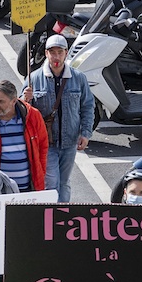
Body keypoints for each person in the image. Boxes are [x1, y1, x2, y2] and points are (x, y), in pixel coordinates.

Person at [23, 35, 93, 203]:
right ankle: (52, 217)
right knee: (51, 182)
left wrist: (86, 133)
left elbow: (87, 106)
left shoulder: (78, 78)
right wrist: (25, 100)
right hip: (47, 143)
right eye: (52, 52)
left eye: (59, 52)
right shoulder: (34, 78)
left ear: (66, 53)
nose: (56, 57)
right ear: (46, 53)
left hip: (69, 142)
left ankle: (64, 217)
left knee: (65, 183)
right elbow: (22, 112)